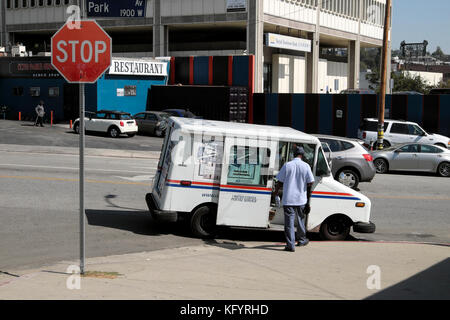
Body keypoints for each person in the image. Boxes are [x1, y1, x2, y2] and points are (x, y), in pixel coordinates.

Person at [274, 146, 315, 252]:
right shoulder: (306, 166)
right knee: (301, 221)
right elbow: (310, 182)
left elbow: (279, 181)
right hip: (301, 199)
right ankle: (301, 240)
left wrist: (275, 193)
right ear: (302, 155)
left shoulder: (287, 165)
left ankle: (290, 245)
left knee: (289, 224)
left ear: (294, 154)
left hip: (288, 199)